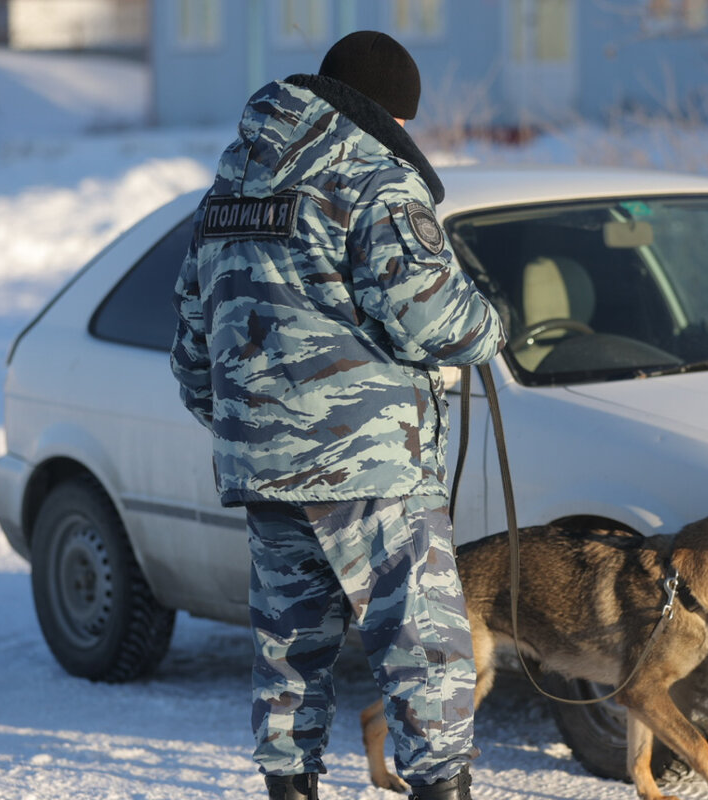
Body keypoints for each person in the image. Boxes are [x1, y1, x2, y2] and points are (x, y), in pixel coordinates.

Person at [170, 30, 506, 800]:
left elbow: (194, 342)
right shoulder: (374, 178)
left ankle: (291, 788)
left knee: (290, 652)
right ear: (389, 113)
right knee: (424, 652)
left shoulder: (231, 184)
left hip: (266, 468)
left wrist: (252, 426)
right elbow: (433, 318)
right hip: (371, 465)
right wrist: (490, 328)